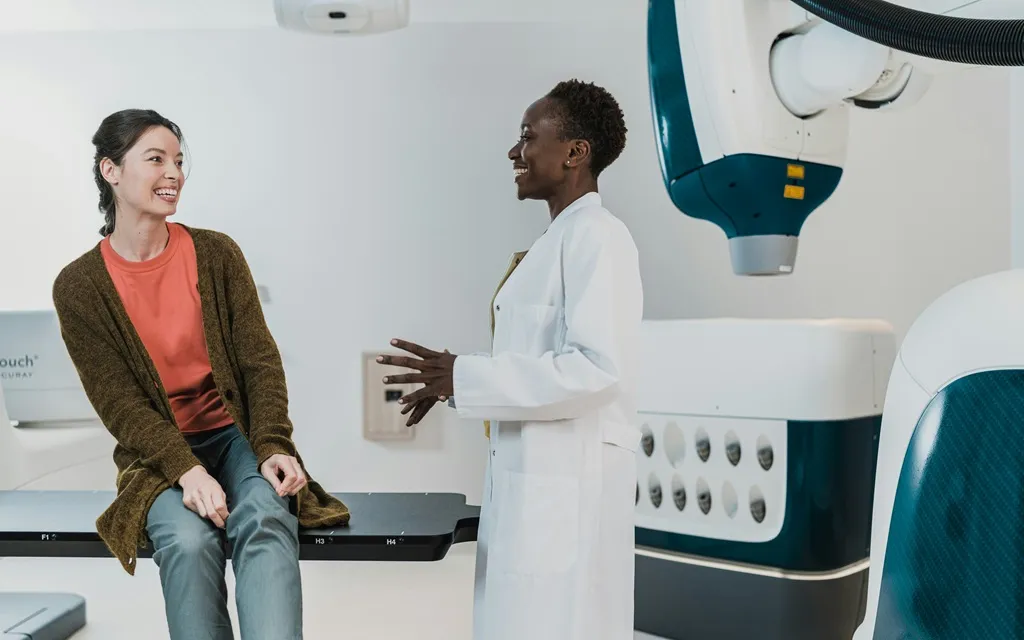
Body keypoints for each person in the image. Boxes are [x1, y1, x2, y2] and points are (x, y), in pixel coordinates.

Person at [51, 109, 350, 640]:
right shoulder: (79, 286)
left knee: (264, 516)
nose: (174, 174)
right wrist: (187, 472)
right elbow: (121, 405)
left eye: (180, 161)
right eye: (156, 159)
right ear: (111, 171)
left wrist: (275, 446)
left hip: (235, 438)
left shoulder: (216, 254)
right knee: (188, 542)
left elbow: (259, 362)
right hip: (159, 455)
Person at [377, 79, 643, 640]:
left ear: (575, 152)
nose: (513, 152)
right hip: (537, 492)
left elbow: (598, 370)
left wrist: (464, 375)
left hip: (567, 499)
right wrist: (455, 383)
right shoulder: (559, 241)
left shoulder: (599, 236)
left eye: (527, 137)